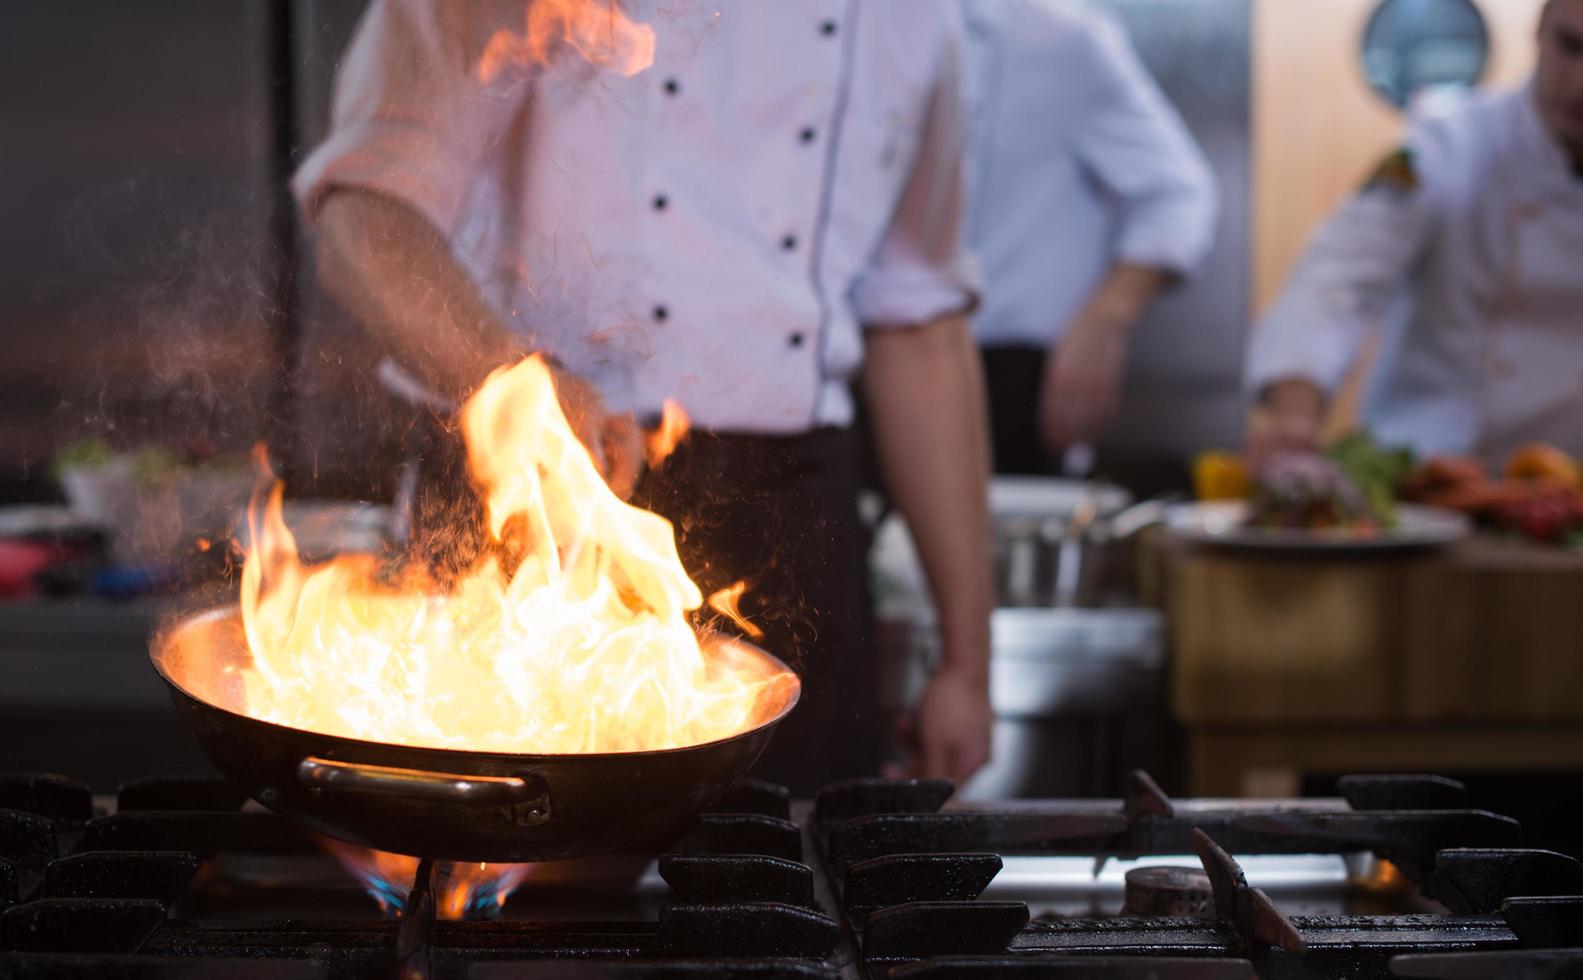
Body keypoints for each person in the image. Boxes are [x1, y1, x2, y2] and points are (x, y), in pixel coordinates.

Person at [292, 0, 994, 792]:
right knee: (504, 885)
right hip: (531, 501)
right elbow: (367, 217)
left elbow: (919, 325)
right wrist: (514, 383)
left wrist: (968, 664)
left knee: (787, 888)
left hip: (788, 536)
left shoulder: (913, 19)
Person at [1246, 0, 1583, 465]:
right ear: (1540, 31)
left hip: (1566, 501)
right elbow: (1337, 277)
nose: (1581, 83)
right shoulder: (1445, 146)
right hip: (1422, 472)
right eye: (1571, 46)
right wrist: (1294, 419)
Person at [961, 0, 1218, 474]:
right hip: (854, 371)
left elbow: (1179, 193)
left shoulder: (1057, 37)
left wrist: (1107, 314)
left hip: (1014, 382)